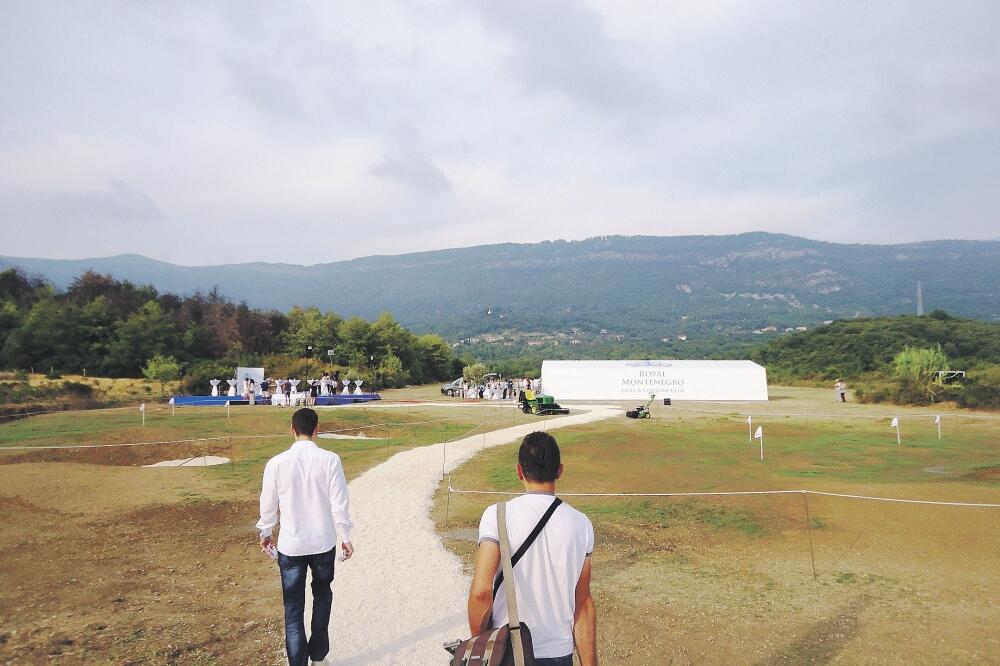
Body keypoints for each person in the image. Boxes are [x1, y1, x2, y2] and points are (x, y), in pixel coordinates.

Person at [467, 431, 598, 666]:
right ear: (559, 471)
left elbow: (481, 593)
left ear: (519, 471)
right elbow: (583, 605)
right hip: (558, 654)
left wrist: (479, 646)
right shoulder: (581, 524)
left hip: (508, 650)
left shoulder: (497, 516)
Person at [257, 408, 354, 666]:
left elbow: (268, 504)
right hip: (322, 542)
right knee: (322, 596)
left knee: (293, 609)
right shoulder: (330, 460)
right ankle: (319, 657)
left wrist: (266, 532)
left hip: (292, 545)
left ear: (292, 430)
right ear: (317, 429)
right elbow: (340, 503)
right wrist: (345, 536)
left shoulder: (276, 463)